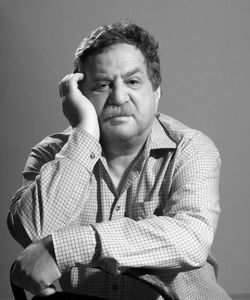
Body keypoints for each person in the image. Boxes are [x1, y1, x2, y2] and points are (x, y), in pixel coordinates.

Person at [8, 21, 231, 299]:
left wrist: (65, 246)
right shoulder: (51, 154)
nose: (118, 96)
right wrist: (85, 132)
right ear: (80, 96)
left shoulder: (192, 148)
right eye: (102, 85)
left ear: (157, 92)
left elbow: (191, 238)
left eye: (133, 81)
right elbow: (32, 233)